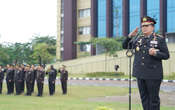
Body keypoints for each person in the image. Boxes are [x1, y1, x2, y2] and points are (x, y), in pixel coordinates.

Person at [122, 16, 170, 110]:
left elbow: (166, 55)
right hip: (140, 74)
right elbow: (125, 46)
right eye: (142, 26)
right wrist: (129, 36)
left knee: (153, 100)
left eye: (146, 26)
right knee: (144, 98)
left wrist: (156, 53)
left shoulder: (159, 39)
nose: (144, 28)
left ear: (152, 27)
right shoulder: (138, 39)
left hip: (153, 74)